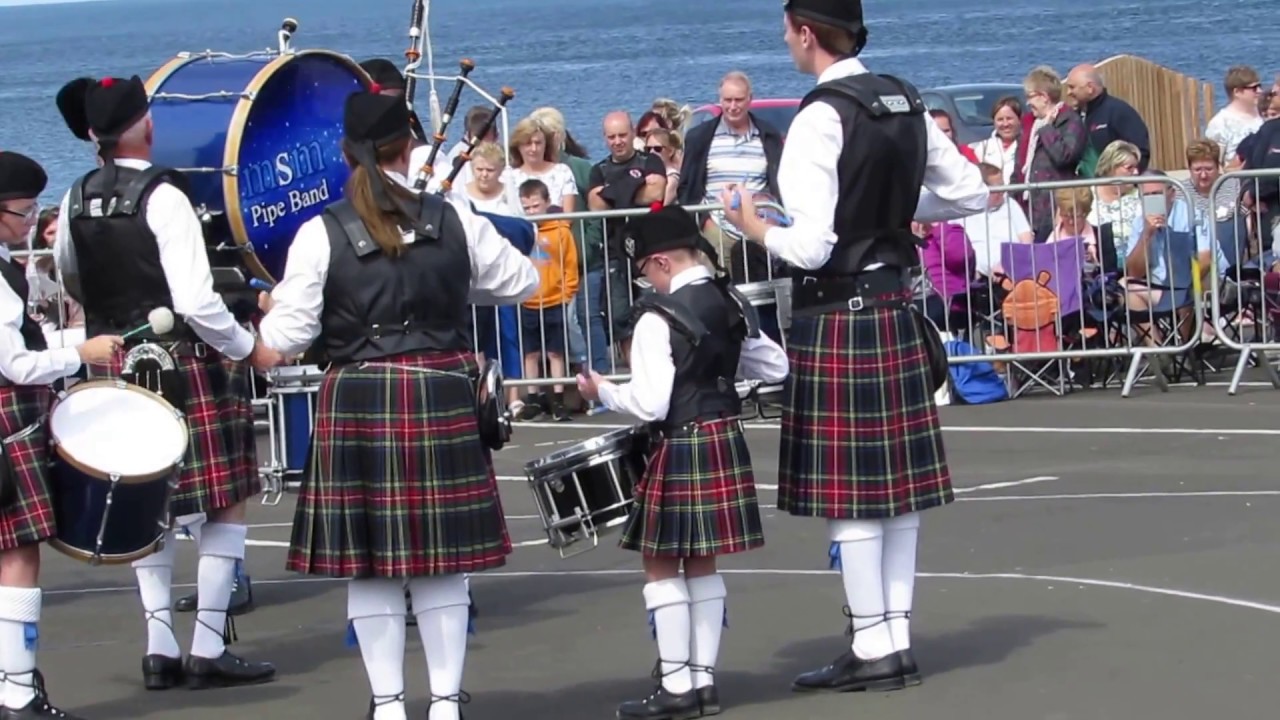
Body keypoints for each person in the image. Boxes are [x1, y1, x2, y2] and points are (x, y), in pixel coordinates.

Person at [722, 0, 988, 694]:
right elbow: (971, 195)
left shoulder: (819, 115)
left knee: (856, 497)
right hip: (895, 305)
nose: (784, 39)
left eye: (786, 28)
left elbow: (810, 246)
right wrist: (887, 211)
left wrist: (753, 225)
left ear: (806, 33)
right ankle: (893, 636)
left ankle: (871, 643)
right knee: (897, 495)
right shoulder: (903, 99)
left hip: (842, 312)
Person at [255, 85, 538, 720]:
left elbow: (284, 341)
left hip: (359, 396)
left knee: (371, 563)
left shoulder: (319, 232)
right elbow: (524, 280)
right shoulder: (454, 217)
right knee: (440, 562)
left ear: (346, 152)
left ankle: (386, 707)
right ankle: (443, 706)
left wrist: (257, 321)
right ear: (409, 146)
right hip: (442, 389)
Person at [51, 75, 281, 691]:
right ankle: (206, 647)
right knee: (224, 498)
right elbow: (197, 302)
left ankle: (158, 648)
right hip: (186, 362)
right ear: (144, 126)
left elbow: (72, 279)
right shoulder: (164, 193)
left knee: (144, 496)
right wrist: (245, 346)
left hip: (113, 361)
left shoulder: (74, 197)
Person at [577, 205, 788, 719]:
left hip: (681, 441)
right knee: (702, 563)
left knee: (660, 564)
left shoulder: (657, 318)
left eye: (645, 270)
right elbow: (776, 364)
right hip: (723, 435)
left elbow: (651, 404)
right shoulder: (730, 300)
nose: (646, 280)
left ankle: (676, 685)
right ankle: (703, 681)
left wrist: (603, 389)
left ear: (660, 263)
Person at [0, 151, 123, 718]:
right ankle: (18, 689)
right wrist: (80, 352)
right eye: (24, 214)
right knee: (17, 556)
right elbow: (14, 364)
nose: (31, 225)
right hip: (8, 420)